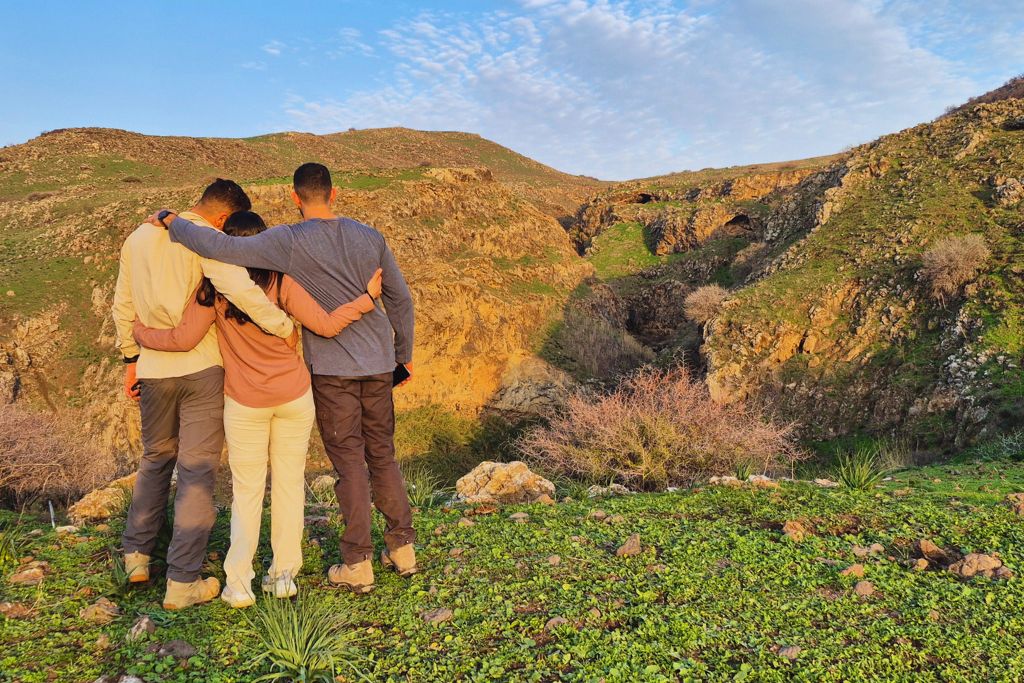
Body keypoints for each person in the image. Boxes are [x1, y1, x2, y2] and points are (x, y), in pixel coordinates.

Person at [148, 162, 416, 594]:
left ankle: (357, 562)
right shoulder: (372, 236)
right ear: (335, 193)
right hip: (379, 362)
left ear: (294, 198)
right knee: (382, 453)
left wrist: (173, 221)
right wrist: (402, 357)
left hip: (332, 371)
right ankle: (402, 548)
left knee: (348, 462)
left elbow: (223, 250)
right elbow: (400, 299)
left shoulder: (288, 241)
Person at [113, 179, 296, 610]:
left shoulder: (137, 237)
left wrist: (130, 359)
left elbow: (123, 302)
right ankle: (182, 582)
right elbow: (240, 289)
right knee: (196, 472)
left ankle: (136, 557)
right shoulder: (207, 241)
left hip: (154, 369)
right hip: (203, 369)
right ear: (221, 219)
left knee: (156, 458)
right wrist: (283, 326)